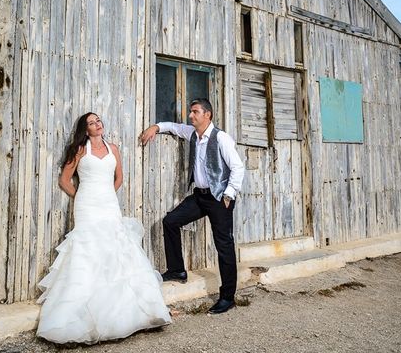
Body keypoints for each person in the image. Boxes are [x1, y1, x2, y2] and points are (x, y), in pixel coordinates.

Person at [37, 112, 171, 344]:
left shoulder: (114, 149)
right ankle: (78, 316)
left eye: (98, 120)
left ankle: (125, 314)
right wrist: (81, 196)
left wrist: (107, 194)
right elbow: (64, 180)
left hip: (109, 205)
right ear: (85, 129)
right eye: (91, 123)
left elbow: (119, 178)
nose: (97, 124)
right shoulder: (79, 150)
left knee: (115, 249)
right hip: (87, 206)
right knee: (88, 251)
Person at [139, 98, 245, 314]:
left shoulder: (221, 138)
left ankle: (228, 297)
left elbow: (238, 167)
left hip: (219, 199)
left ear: (208, 115)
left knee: (224, 245)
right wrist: (155, 127)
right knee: (170, 222)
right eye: (191, 112)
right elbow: (174, 127)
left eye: (195, 112)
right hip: (200, 196)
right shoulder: (193, 134)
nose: (191, 116)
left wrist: (229, 194)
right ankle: (177, 270)